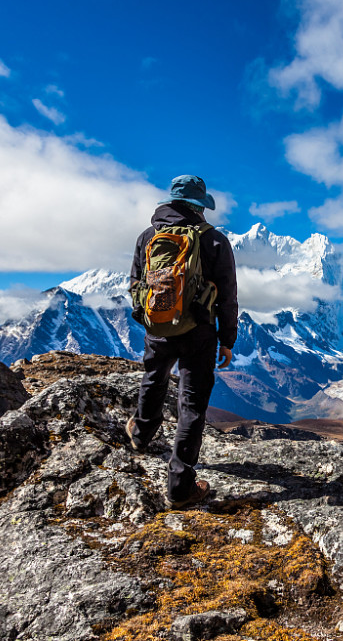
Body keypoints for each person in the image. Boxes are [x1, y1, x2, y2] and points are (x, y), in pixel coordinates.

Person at [125, 174, 238, 509]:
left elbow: (135, 283)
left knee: (153, 378)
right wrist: (227, 340)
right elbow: (228, 298)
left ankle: (141, 434)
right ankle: (180, 486)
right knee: (191, 404)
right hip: (199, 333)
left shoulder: (148, 236)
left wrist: (150, 316)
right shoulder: (214, 241)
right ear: (200, 206)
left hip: (158, 328)